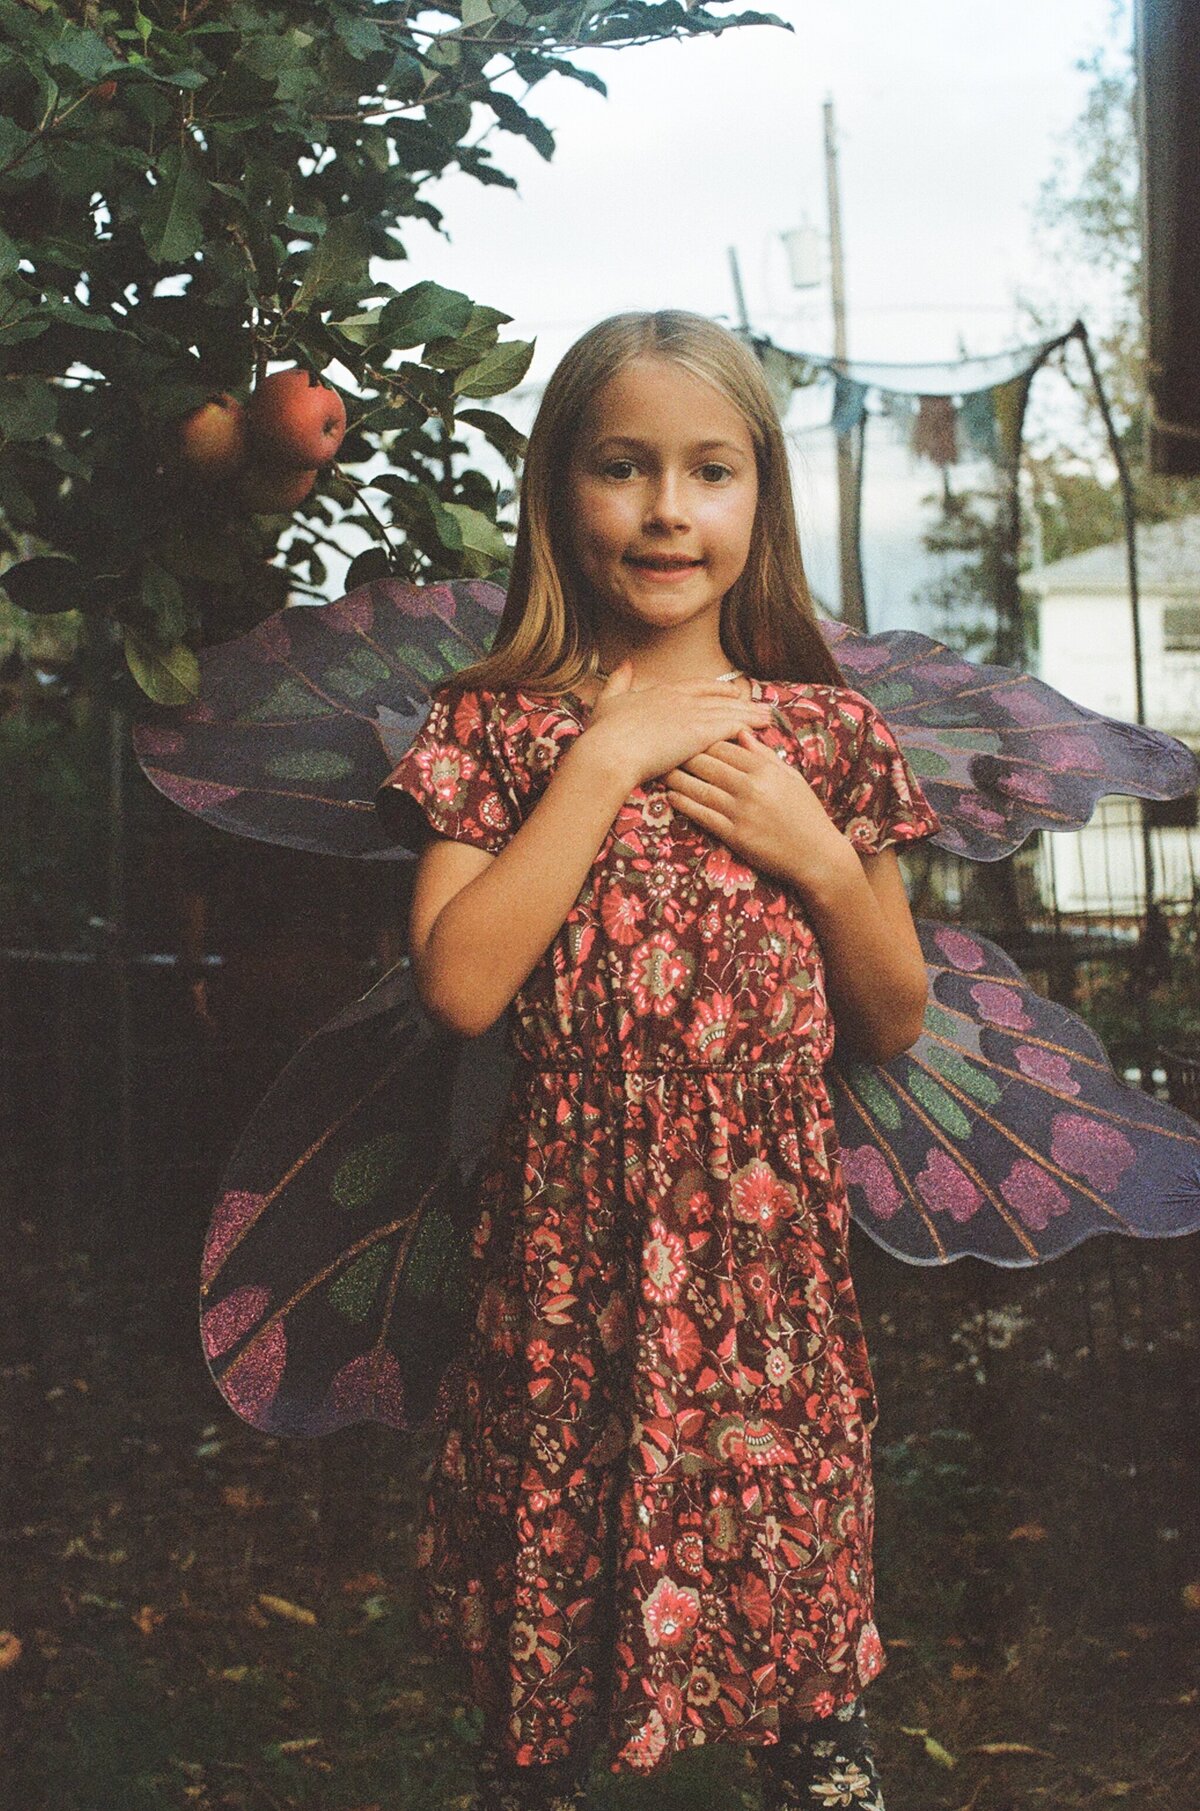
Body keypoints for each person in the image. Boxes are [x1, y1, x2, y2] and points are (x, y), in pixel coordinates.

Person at [374, 310, 943, 1811]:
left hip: (767, 1273)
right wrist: (606, 758)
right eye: (624, 469)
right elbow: (460, 987)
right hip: (568, 1262)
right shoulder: (495, 733)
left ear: (764, 500)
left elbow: (892, 1017)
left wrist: (823, 862)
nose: (670, 511)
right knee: (547, 1653)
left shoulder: (825, 739)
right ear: (564, 493)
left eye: (711, 471)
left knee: (806, 1672)